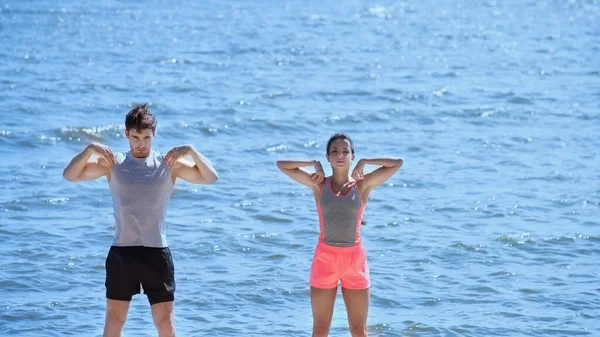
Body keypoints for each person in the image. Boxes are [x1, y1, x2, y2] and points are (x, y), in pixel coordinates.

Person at [62, 104, 218, 337]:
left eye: (146, 137)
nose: (141, 143)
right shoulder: (112, 162)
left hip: (157, 253)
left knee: (165, 325)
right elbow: (70, 175)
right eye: (135, 137)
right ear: (126, 134)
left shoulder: (168, 164)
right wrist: (90, 148)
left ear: (154, 134)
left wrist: (192, 151)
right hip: (122, 253)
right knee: (114, 323)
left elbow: (210, 177)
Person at [276, 133, 403, 337]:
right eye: (334, 151)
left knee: (358, 330)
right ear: (328, 157)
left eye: (345, 151)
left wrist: (366, 161)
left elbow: (397, 163)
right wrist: (313, 163)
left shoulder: (362, 185)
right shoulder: (319, 184)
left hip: (354, 260)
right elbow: (282, 164)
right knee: (320, 329)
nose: (340, 155)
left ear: (352, 156)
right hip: (325, 259)